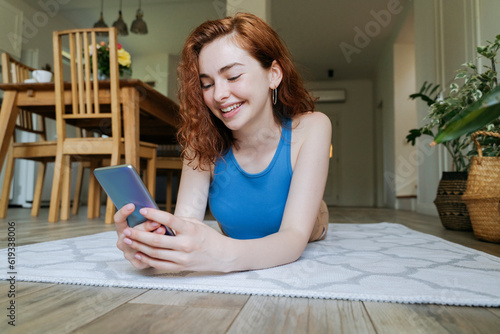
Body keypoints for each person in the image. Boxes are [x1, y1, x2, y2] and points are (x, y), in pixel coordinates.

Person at [114, 13, 332, 273]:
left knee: (307, 222)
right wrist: (152, 247)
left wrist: (225, 254)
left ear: (273, 75)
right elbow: (186, 221)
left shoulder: (313, 127)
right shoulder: (201, 140)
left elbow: (294, 238)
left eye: (233, 76)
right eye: (207, 84)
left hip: (312, 221)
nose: (218, 95)